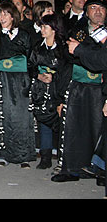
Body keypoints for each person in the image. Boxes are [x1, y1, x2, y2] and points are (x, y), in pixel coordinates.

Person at [53, 0, 106, 182]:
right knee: (74, 128)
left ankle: (101, 171)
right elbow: (68, 55)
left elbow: (100, 58)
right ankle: (72, 169)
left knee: (100, 129)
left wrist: (83, 51)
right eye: (93, 8)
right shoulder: (78, 30)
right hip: (79, 85)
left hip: (101, 88)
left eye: (101, 8)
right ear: (86, 12)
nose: (98, 11)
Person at [0, 1, 35, 167]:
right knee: (2, 115)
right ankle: (1, 153)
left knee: (21, 116)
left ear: (13, 16)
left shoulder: (24, 34)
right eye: (0, 14)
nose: (2, 17)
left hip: (20, 79)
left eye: (5, 14)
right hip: (1, 78)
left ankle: (22, 154)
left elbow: (30, 57)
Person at [28, 13, 68, 170]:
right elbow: (30, 65)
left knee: (60, 122)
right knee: (43, 121)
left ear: (54, 29)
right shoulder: (38, 47)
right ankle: (45, 156)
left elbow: (67, 70)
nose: (42, 30)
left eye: (45, 26)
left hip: (57, 90)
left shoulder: (63, 49)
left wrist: (54, 76)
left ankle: (62, 157)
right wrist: (38, 75)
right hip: (41, 89)